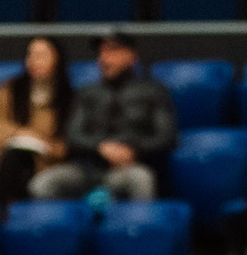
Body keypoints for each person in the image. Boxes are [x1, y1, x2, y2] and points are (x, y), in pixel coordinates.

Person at [32, 28, 176, 203]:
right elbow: (72, 135)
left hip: (130, 168)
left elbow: (166, 136)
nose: (104, 59)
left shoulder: (153, 91)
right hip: (87, 169)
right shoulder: (87, 92)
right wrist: (101, 147)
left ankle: (134, 228)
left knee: (141, 179)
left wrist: (134, 149)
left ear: (131, 56)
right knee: (43, 183)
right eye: (101, 52)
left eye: (112, 51)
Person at [0, 34, 73, 205]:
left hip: (44, 167)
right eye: (30, 55)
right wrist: (18, 134)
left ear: (57, 60)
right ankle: (0, 211)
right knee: (14, 157)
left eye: (41, 56)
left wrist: (45, 145)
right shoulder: (10, 90)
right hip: (1, 162)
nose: (34, 61)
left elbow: (69, 144)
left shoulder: (69, 98)